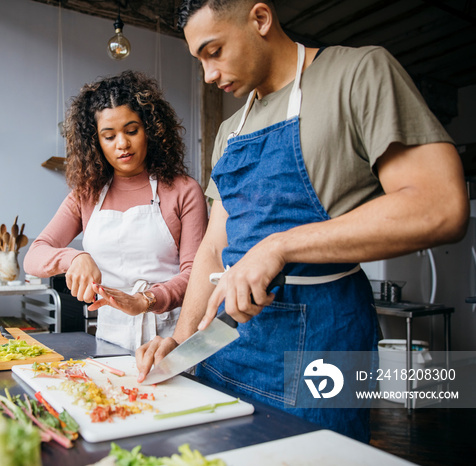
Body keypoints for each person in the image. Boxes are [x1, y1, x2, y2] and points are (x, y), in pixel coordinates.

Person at [136, 0, 469, 442]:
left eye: (214, 52)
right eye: (200, 60)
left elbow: (440, 206)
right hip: (226, 345)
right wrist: (180, 340)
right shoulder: (231, 130)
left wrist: (279, 246)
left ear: (260, 19)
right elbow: (215, 249)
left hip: (323, 341)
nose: (209, 75)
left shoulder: (358, 74)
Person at [24, 70, 208, 352]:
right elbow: (34, 255)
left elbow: (196, 274)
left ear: (151, 129)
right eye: (109, 136)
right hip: (110, 339)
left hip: (173, 337)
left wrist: (146, 300)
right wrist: (74, 258)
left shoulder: (183, 190)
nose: (122, 144)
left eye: (132, 131)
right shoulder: (86, 195)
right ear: (96, 142)